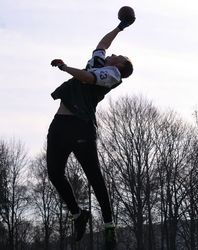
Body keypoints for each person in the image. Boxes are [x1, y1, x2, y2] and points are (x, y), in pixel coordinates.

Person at [47, 17, 134, 249]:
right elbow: (102, 44)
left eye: (121, 56)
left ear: (120, 67)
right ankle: (78, 215)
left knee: (94, 178)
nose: (114, 54)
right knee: (54, 174)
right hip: (59, 124)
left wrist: (65, 68)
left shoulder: (112, 76)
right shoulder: (100, 61)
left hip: (81, 125)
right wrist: (120, 27)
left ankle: (109, 228)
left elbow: (86, 77)